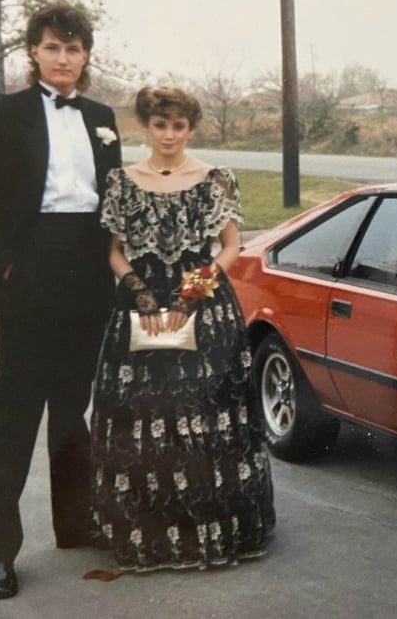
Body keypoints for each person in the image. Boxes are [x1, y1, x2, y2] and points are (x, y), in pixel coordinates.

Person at [0, 1, 121, 599]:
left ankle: (74, 524)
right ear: (33, 53)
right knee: (15, 416)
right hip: (29, 272)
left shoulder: (103, 116)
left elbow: (115, 204)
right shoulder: (1, 113)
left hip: (89, 275)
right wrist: (4, 263)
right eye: (52, 47)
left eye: (73, 48)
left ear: (86, 56)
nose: (63, 58)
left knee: (73, 412)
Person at [90, 86, 275, 572]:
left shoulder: (215, 179)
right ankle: (150, 530)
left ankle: (213, 532)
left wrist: (189, 293)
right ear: (145, 127)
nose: (169, 134)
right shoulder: (122, 181)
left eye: (178, 126)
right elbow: (113, 249)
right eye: (159, 124)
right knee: (145, 416)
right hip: (141, 307)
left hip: (205, 308)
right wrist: (140, 291)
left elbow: (231, 246)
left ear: (190, 129)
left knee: (204, 415)